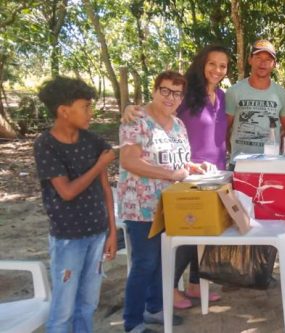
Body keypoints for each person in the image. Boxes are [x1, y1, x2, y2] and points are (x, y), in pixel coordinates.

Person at [122, 45, 229, 309]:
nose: (217, 70)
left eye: (223, 65)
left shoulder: (222, 96)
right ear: (202, 63)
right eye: (212, 63)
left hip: (206, 170)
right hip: (173, 180)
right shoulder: (186, 93)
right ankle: (163, 295)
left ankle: (193, 285)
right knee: (179, 239)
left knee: (202, 235)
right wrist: (129, 108)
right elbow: (156, 113)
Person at [119, 71, 211, 333]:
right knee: (145, 262)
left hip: (171, 204)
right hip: (142, 205)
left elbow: (177, 161)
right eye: (165, 90)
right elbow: (129, 160)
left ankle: (155, 308)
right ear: (155, 90)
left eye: (177, 93)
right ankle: (133, 322)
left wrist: (193, 167)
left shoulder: (179, 124)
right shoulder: (137, 119)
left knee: (164, 261)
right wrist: (172, 174)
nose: (171, 97)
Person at [33, 76, 117, 333]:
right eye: (86, 106)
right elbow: (66, 192)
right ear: (64, 110)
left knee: (88, 304)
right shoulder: (46, 145)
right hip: (68, 238)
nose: (90, 112)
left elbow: (105, 189)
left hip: (97, 234)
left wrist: (112, 231)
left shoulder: (93, 141)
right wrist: (99, 165)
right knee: (63, 309)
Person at [227, 39, 285, 163]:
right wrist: (233, 153)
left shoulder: (283, 95)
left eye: (268, 60)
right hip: (239, 165)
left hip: (271, 165)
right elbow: (224, 130)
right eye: (258, 58)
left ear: (274, 64)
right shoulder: (233, 92)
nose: (263, 63)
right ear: (250, 59)